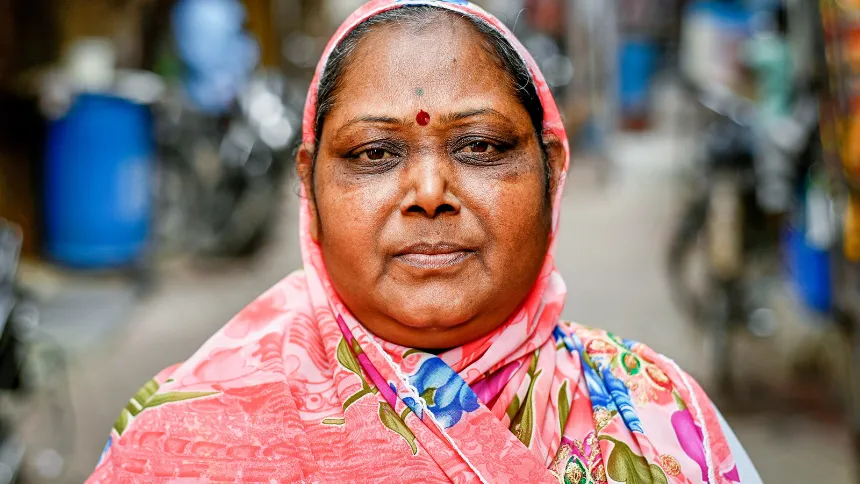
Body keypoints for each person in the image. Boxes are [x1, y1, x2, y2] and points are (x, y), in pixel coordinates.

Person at [87, 1, 759, 482]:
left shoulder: (654, 413)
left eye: (482, 146)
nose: (430, 190)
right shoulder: (186, 432)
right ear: (309, 186)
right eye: (375, 153)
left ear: (553, 167)